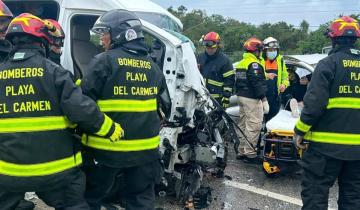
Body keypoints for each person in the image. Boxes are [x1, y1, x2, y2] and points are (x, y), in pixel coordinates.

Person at [0, 13, 123, 210]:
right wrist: (109, 128)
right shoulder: (54, 72)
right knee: (73, 205)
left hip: (7, 173)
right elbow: (81, 109)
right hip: (55, 171)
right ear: (42, 42)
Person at [80, 9, 170, 210]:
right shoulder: (153, 66)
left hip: (105, 151)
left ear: (122, 34)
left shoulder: (103, 61)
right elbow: (165, 107)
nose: (102, 38)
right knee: (140, 201)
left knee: (91, 199)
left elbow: (83, 104)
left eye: (105, 33)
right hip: (146, 154)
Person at [294, 16, 360, 210]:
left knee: (315, 195)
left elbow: (314, 105)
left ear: (333, 38)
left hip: (325, 150)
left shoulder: (328, 64)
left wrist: (300, 130)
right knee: (354, 199)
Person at [234, 37, 268, 162]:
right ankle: (250, 154)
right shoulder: (254, 64)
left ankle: (241, 150)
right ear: (256, 51)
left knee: (243, 124)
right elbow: (256, 82)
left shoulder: (242, 63)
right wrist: (263, 99)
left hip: (241, 96)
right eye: (260, 50)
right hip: (252, 98)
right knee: (254, 125)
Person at [197, 31, 235, 108]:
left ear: (217, 45)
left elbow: (229, 80)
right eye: (207, 47)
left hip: (217, 99)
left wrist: (226, 97)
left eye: (211, 47)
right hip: (201, 97)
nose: (209, 50)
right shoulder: (200, 57)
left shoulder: (225, 60)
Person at [262, 37, 289, 121]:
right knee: (260, 121)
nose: (272, 52)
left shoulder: (280, 60)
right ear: (265, 51)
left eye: (274, 50)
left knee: (273, 120)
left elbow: (285, 76)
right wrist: (266, 75)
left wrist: (284, 84)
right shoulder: (260, 60)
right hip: (263, 97)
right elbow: (255, 76)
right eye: (270, 50)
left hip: (275, 97)